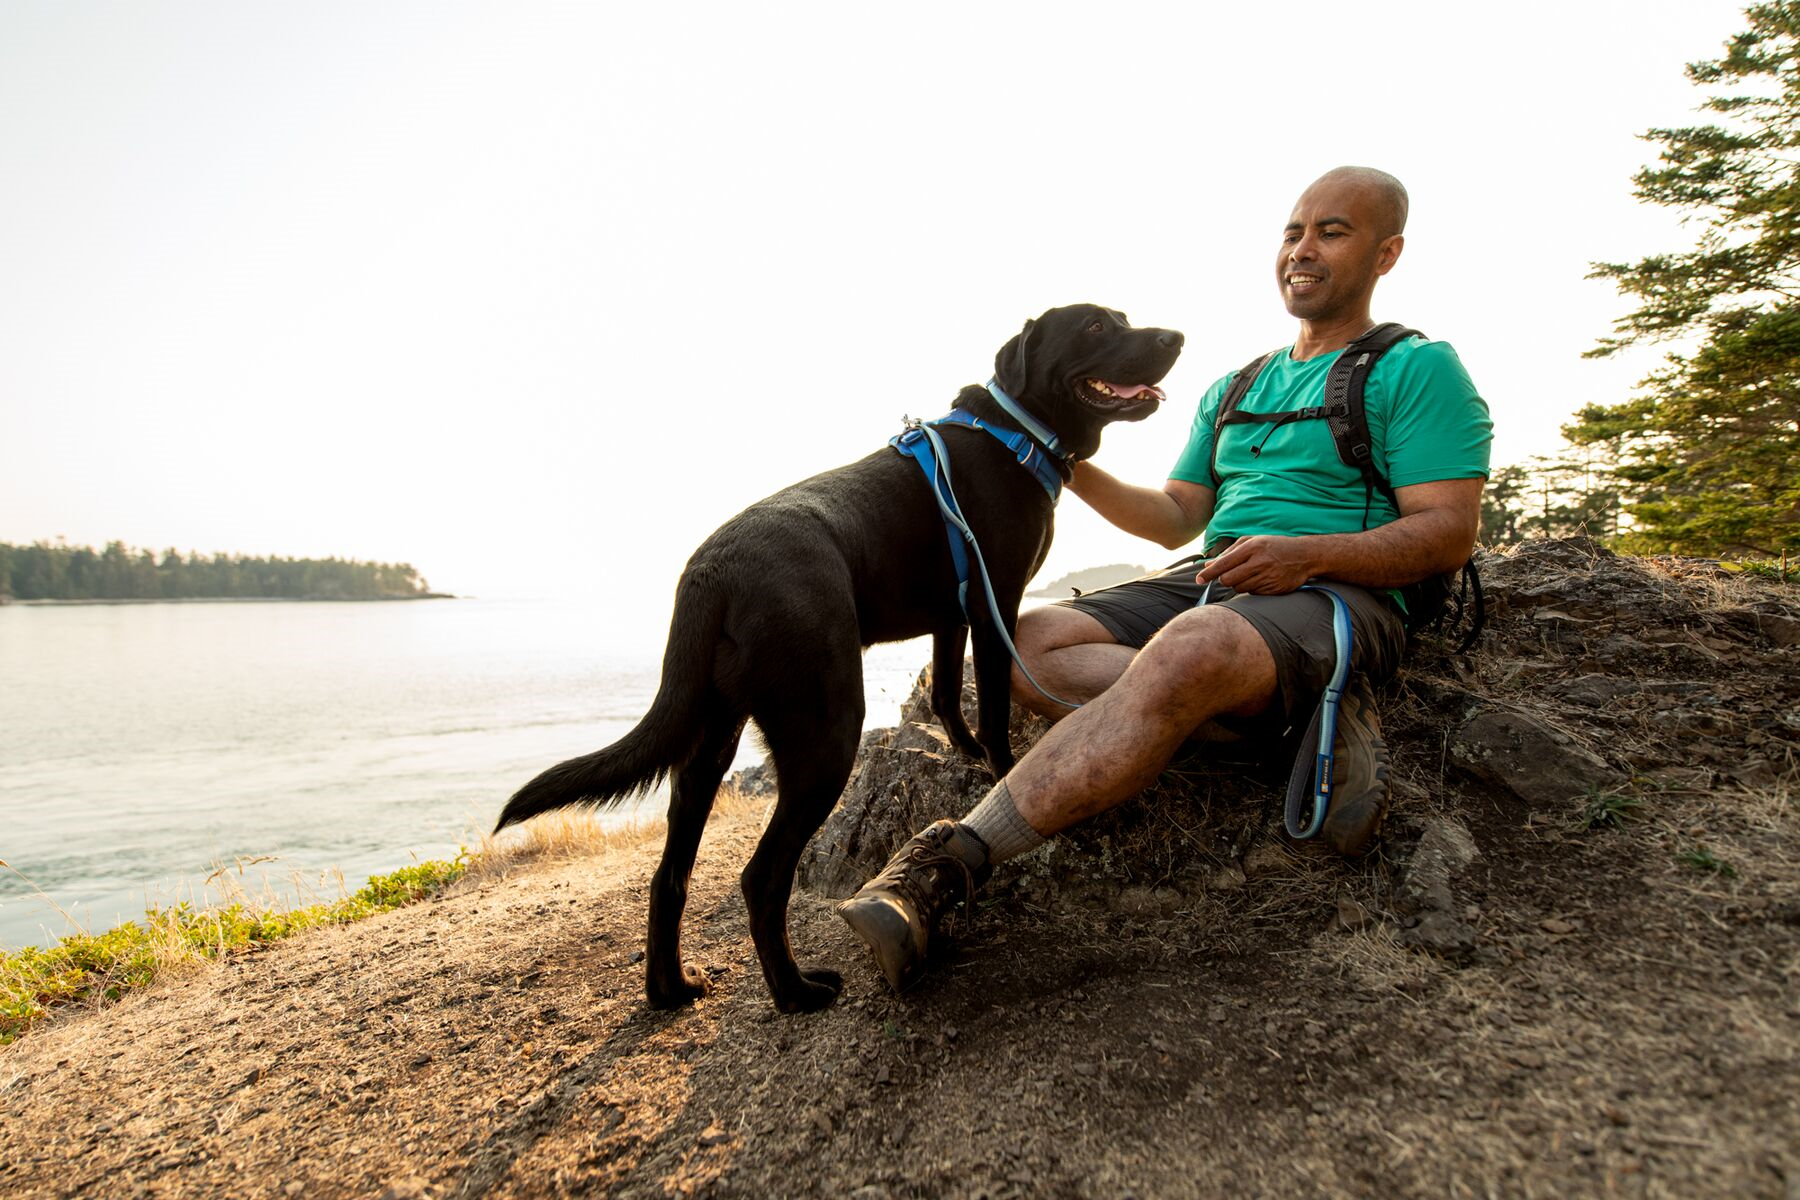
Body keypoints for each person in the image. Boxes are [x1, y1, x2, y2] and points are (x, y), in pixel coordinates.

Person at [836, 166, 1494, 993]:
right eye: (1294, 231)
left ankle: (946, 867)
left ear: (1386, 252)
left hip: (1339, 596)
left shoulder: (1418, 369)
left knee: (1193, 646)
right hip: (1214, 581)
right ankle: (1273, 720)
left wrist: (1309, 554)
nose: (1303, 249)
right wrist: (1050, 454)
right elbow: (1178, 516)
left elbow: (1447, 531)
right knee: (1019, 643)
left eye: (1333, 231)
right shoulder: (1237, 387)